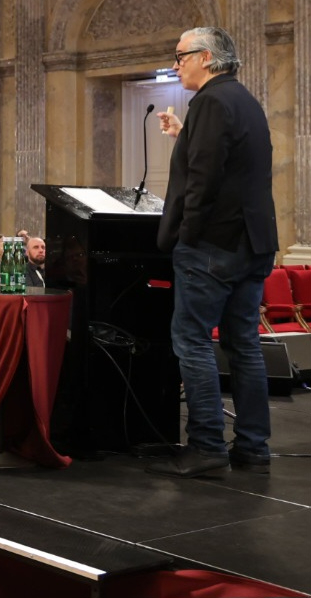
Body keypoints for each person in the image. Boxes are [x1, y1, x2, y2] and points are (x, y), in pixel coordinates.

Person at [147, 27, 278, 479]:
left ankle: (205, 446)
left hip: (212, 245)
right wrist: (184, 135)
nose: (175, 64)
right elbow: (230, 162)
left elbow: (203, 180)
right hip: (252, 242)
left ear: (206, 57)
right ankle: (253, 448)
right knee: (244, 345)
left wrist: (186, 234)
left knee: (193, 341)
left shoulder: (209, 102)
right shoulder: (243, 99)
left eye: (180, 55)